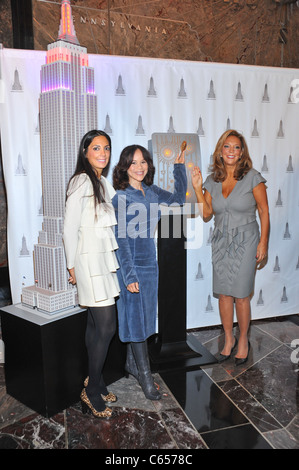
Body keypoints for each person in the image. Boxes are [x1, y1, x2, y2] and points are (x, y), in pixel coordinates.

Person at [112, 144, 187, 399]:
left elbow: (178, 200)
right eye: (133, 163)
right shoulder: (121, 198)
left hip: (150, 266)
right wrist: (129, 275)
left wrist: (179, 167)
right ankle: (145, 376)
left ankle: (132, 365)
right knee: (136, 322)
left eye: (143, 161)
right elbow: (121, 241)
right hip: (131, 268)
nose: (140, 167)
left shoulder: (152, 191)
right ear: (124, 167)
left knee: (145, 321)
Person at [191, 129, 269, 366]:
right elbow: (206, 214)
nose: (232, 151)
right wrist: (197, 187)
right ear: (220, 151)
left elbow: (264, 211)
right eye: (227, 147)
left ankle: (243, 339)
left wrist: (263, 242)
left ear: (242, 152)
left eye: (236, 147)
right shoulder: (213, 180)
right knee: (224, 293)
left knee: (241, 295)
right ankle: (228, 339)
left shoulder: (253, 177)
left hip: (246, 240)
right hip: (222, 241)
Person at [63, 130, 120, 418]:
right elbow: (69, 227)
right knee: (107, 326)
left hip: (103, 260)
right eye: (96, 147)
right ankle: (92, 389)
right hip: (87, 263)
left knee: (96, 326)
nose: (102, 153)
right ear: (85, 151)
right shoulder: (81, 180)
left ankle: (95, 380)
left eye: (106, 148)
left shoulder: (101, 182)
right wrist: (72, 266)